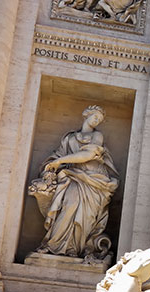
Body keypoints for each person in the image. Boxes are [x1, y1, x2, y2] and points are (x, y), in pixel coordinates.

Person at [30, 105, 119, 261]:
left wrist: (60, 161)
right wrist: (51, 165)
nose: (97, 121)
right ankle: (54, 245)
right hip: (72, 177)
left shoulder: (97, 136)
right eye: (95, 117)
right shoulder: (69, 138)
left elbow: (88, 154)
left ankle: (74, 248)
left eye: (100, 119)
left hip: (93, 180)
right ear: (86, 115)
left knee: (86, 215)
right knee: (69, 206)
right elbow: (57, 155)